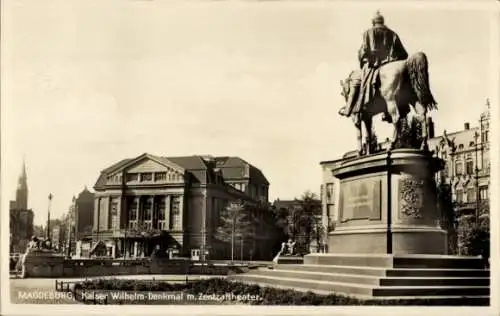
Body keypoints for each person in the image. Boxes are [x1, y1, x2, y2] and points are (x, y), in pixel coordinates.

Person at [339, 11, 409, 121]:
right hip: (391, 63)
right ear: (382, 21)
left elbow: (364, 52)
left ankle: (350, 108)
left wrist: (363, 57)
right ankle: (397, 109)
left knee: (356, 81)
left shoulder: (368, 33)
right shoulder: (393, 34)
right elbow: (404, 54)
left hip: (373, 65)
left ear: (373, 22)